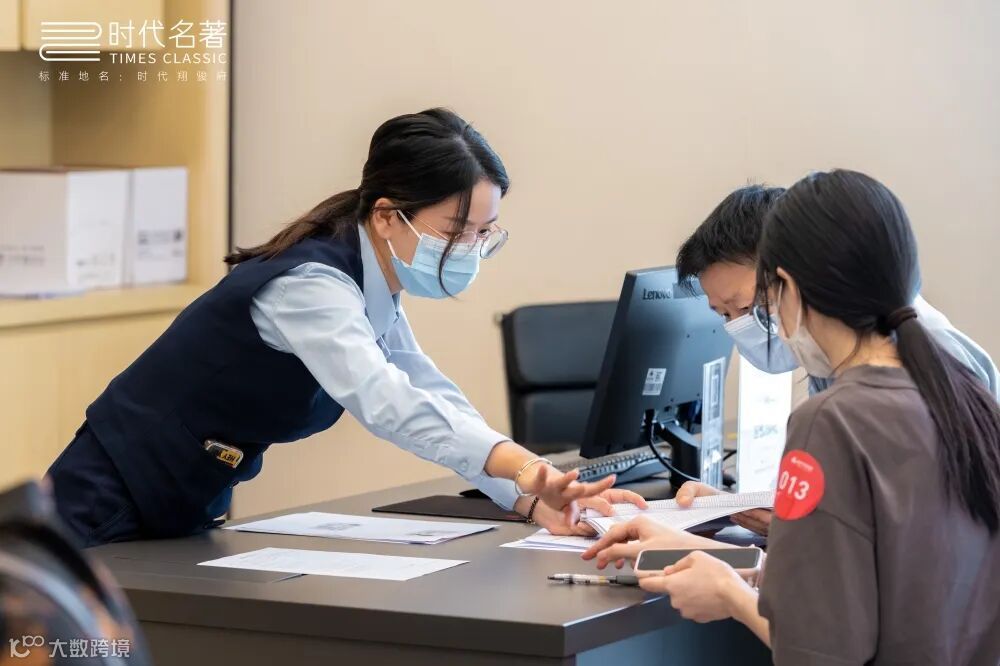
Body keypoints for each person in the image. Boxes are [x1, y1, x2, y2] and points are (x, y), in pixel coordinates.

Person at [45, 108, 644, 547]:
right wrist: (526, 470)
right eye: (455, 231)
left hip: (182, 497)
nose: (470, 248)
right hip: (108, 497)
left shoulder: (371, 279)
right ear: (387, 216)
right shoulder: (311, 286)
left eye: (483, 233)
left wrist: (529, 499)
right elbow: (387, 402)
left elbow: (427, 390)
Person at [583, 170, 1000, 665]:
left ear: (786, 285)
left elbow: (818, 650)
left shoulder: (832, 421)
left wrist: (731, 595)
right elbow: (894, 579)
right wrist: (716, 557)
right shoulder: (967, 398)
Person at [672, 183, 998, 536]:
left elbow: (897, 539)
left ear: (794, 280)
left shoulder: (914, 372)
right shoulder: (831, 366)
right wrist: (745, 511)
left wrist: (719, 558)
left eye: (751, 306)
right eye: (725, 315)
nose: (744, 324)